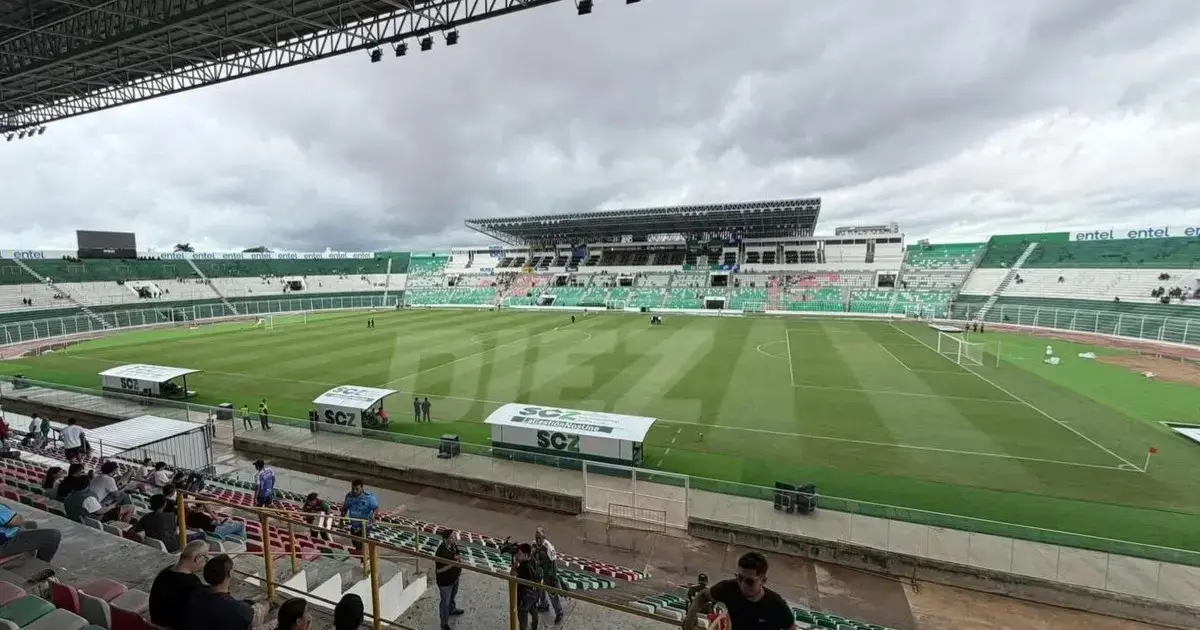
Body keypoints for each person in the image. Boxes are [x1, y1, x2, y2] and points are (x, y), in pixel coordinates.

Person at [683, 551, 795, 630]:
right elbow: (703, 595)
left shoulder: (776, 604)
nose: (742, 585)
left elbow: (791, 627)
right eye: (739, 578)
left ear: (763, 581)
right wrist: (691, 615)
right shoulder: (730, 588)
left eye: (750, 582)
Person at [186, 554, 268, 630]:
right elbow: (255, 616)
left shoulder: (194, 594)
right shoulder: (235, 607)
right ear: (230, 573)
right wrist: (267, 604)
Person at [149, 540, 207, 629]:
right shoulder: (191, 583)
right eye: (205, 558)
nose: (205, 561)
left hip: (156, 621)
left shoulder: (165, 572)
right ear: (198, 558)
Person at [434, 529, 464, 630]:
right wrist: (452, 565)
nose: (454, 538)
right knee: (445, 603)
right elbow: (438, 570)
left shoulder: (453, 545)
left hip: (455, 578)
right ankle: (444, 623)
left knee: (452, 597)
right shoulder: (440, 552)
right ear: (445, 539)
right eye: (452, 537)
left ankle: (452, 609)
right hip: (445, 582)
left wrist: (459, 561)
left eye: (454, 536)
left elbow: (457, 555)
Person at [533, 527, 563, 624]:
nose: (538, 540)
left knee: (552, 593)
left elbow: (553, 562)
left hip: (548, 573)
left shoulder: (548, 547)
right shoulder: (533, 544)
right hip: (539, 572)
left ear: (544, 537)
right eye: (537, 538)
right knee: (540, 589)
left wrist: (553, 576)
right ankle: (543, 605)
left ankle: (559, 612)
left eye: (540, 538)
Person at [341, 480, 378, 550]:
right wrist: (341, 520)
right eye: (353, 489)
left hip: (365, 525)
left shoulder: (369, 497)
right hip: (354, 525)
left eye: (357, 489)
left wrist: (373, 515)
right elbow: (344, 508)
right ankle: (360, 553)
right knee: (355, 544)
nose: (354, 491)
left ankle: (362, 554)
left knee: (360, 545)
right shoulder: (349, 495)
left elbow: (376, 508)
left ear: (362, 488)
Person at [511, 543, 541, 630]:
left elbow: (512, 575)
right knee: (534, 616)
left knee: (523, 623)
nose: (517, 555)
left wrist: (514, 566)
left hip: (523, 598)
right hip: (533, 596)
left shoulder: (523, 567)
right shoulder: (532, 561)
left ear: (526, 555)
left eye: (519, 553)